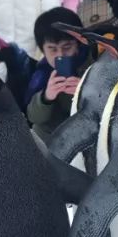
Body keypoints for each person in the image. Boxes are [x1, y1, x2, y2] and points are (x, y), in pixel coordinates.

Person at [25, 8, 88, 143]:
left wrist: (86, 91)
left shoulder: (94, 63)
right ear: (43, 50)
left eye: (67, 47)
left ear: (78, 44)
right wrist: (46, 98)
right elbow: (33, 117)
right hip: (60, 138)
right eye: (52, 49)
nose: (60, 55)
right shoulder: (42, 74)